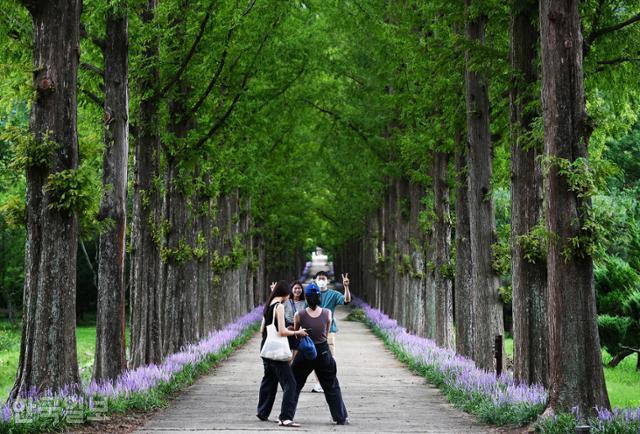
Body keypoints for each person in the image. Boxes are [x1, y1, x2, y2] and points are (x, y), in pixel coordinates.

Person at [291, 283, 349, 425]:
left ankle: (286, 415)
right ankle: (340, 417)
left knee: (294, 384)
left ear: (306, 297)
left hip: (306, 352)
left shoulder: (299, 315)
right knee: (331, 385)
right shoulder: (327, 313)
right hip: (323, 350)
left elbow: (297, 336)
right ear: (319, 297)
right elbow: (326, 332)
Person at [256, 280, 308, 427]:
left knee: (269, 380)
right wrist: (298, 332)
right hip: (277, 351)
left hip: (266, 348)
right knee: (291, 383)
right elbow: (282, 331)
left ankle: (262, 412)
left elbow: (262, 330)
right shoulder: (279, 307)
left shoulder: (268, 305)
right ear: (285, 294)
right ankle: (285, 417)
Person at [311, 270, 351, 392]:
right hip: (313, 331)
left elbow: (346, 300)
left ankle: (327, 382)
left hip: (329, 331)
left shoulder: (333, 294)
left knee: (329, 358)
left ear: (327, 280)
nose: (321, 280)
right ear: (315, 280)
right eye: (319, 278)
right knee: (315, 358)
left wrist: (346, 287)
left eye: (324, 278)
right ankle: (318, 383)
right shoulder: (311, 294)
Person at [284, 281, 306, 362]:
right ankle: (288, 369)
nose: (297, 290)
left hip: (299, 328)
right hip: (288, 327)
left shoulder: (305, 302)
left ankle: (293, 369)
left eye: (299, 288)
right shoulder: (286, 301)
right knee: (288, 351)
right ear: (291, 290)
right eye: (295, 288)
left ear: (302, 290)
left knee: (296, 352)